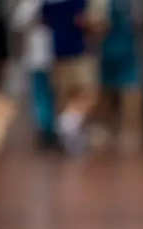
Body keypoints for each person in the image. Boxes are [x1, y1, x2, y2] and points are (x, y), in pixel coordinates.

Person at [42, 0, 107, 154]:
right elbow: (86, 22)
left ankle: (70, 139)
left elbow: (44, 21)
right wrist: (97, 26)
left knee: (66, 97)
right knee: (89, 93)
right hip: (77, 52)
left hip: (58, 52)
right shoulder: (77, 2)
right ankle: (67, 121)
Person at [98, 0, 143, 152]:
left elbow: (142, 20)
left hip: (128, 47)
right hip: (107, 47)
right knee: (106, 89)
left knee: (131, 88)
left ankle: (131, 130)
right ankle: (105, 129)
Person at [13, 0, 57, 145]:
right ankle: (46, 129)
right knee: (42, 94)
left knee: (50, 94)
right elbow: (19, 21)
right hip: (39, 56)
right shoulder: (31, 3)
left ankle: (53, 128)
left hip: (56, 56)